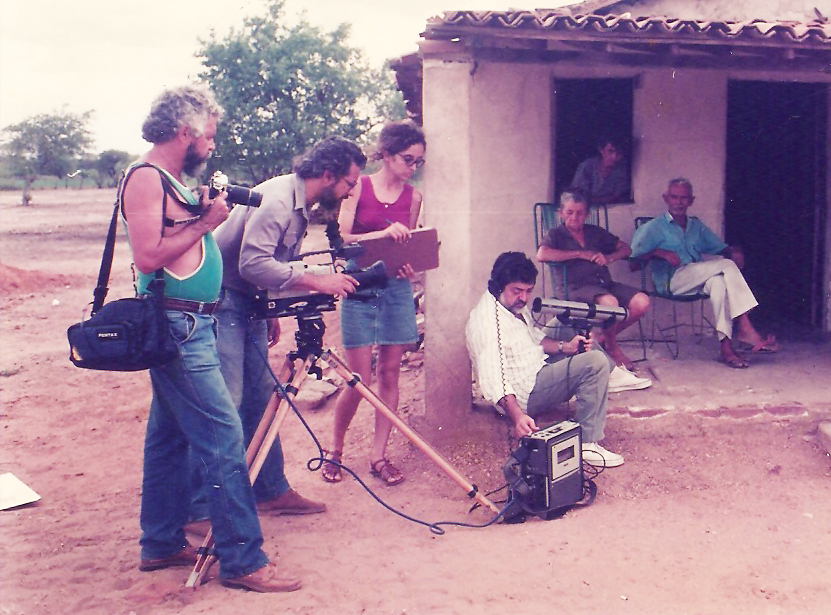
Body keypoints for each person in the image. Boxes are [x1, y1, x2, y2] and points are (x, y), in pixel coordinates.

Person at [123, 86, 299, 592]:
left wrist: (200, 214)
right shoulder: (145, 178)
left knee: (169, 436)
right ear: (186, 133)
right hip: (180, 326)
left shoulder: (169, 181)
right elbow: (149, 257)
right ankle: (244, 561)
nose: (211, 147)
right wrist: (207, 221)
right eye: (210, 137)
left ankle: (159, 543)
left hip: (192, 322)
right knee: (224, 439)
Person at [187, 136, 367, 530]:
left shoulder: (298, 200)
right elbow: (253, 264)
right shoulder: (280, 199)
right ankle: (198, 510)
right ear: (328, 175)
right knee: (227, 405)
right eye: (350, 183)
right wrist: (318, 282)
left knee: (258, 398)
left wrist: (270, 308)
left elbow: (267, 264)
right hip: (223, 301)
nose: (351, 191)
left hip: (246, 302)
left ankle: (270, 490)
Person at [321, 122, 426, 486]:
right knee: (358, 378)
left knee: (391, 373)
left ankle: (379, 456)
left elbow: (408, 246)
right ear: (386, 154)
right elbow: (344, 239)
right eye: (407, 159)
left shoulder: (413, 197)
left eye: (418, 162)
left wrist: (410, 263)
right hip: (359, 283)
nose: (413, 167)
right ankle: (335, 449)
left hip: (395, 287)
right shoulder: (358, 187)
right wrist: (382, 233)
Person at [466, 252, 637, 468]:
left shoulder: (510, 304)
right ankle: (587, 441)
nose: (524, 298)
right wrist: (518, 417)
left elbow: (532, 337)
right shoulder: (488, 324)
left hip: (535, 365)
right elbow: (494, 379)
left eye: (528, 290)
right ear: (499, 286)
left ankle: (610, 376)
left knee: (563, 323)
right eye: (517, 291)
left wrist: (566, 347)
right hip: (524, 393)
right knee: (595, 363)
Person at [631, 178, 778, 368]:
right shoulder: (653, 228)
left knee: (719, 283)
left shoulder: (696, 226)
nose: (679, 202)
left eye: (684, 198)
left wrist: (737, 250)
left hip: (696, 279)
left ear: (691, 201)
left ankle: (726, 349)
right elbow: (633, 263)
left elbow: (723, 249)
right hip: (671, 281)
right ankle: (745, 326)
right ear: (666, 199)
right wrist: (657, 252)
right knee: (725, 266)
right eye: (674, 197)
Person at [536, 189, 650, 371]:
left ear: (587, 214)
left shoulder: (594, 232)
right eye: (569, 212)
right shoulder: (556, 234)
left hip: (604, 284)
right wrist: (579, 253)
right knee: (611, 304)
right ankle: (613, 347)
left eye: (580, 213)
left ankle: (603, 337)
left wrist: (609, 258)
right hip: (574, 287)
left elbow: (625, 249)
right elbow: (542, 254)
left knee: (642, 302)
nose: (575, 217)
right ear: (560, 213)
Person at [570, 135, 630, 207]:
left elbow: (618, 196)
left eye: (619, 153)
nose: (614, 156)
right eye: (610, 151)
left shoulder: (621, 169)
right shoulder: (588, 166)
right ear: (601, 150)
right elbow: (577, 194)